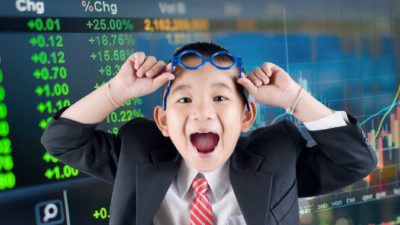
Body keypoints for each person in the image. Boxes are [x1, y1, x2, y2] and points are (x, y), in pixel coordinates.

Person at [40, 42, 377, 225]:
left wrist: (295, 99)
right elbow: (61, 140)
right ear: (163, 122)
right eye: (185, 99)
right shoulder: (137, 153)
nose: (202, 111)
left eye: (219, 97)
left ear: (247, 116)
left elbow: (355, 161)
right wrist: (116, 91)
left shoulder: (277, 158)